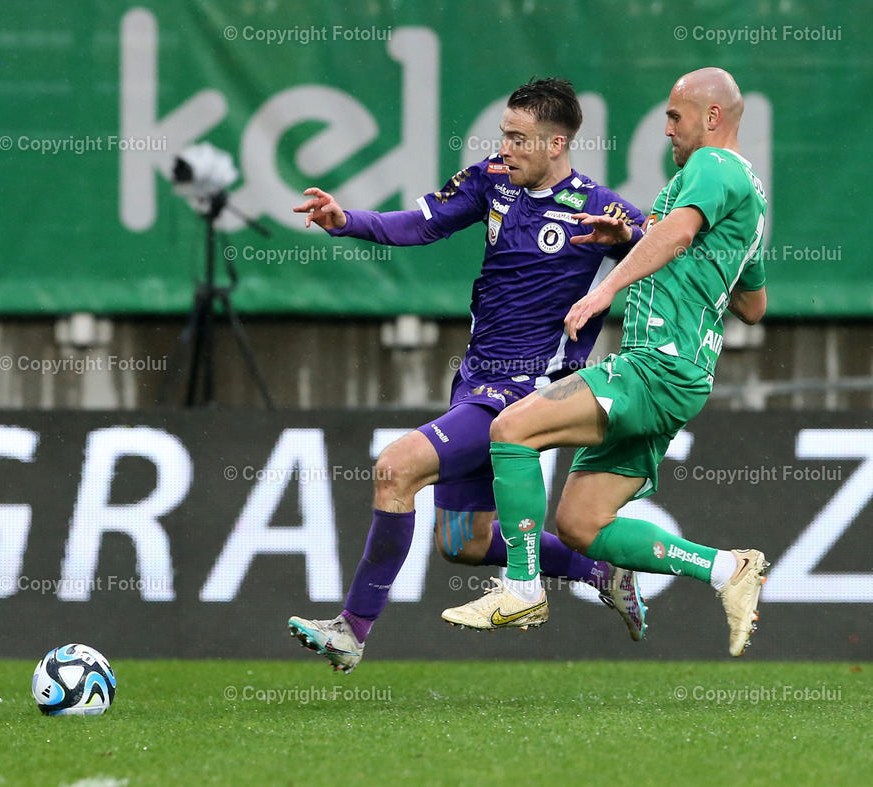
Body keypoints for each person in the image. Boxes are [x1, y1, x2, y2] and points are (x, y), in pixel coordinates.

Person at [287, 78, 650, 673]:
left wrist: (631, 238)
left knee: (395, 468)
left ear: (557, 143)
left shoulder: (601, 210)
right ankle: (603, 572)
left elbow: (665, 249)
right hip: (475, 381)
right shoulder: (493, 179)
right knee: (465, 545)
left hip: (526, 393)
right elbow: (421, 224)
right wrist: (344, 218)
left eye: (518, 138)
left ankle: (350, 630)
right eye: (503, 134)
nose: (504, 147)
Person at [442, 67, 770, 657]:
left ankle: (520, 587)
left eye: (675, 116)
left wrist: (603, 289)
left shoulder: (712, 167)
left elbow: (675, 234)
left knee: (511, 430)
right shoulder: (748, 194)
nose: (667, 128)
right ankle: (727, 569)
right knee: (581, 525)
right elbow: (752, 303)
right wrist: (632, 234)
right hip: (681, 376)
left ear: (712, 117)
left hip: (654, 366)